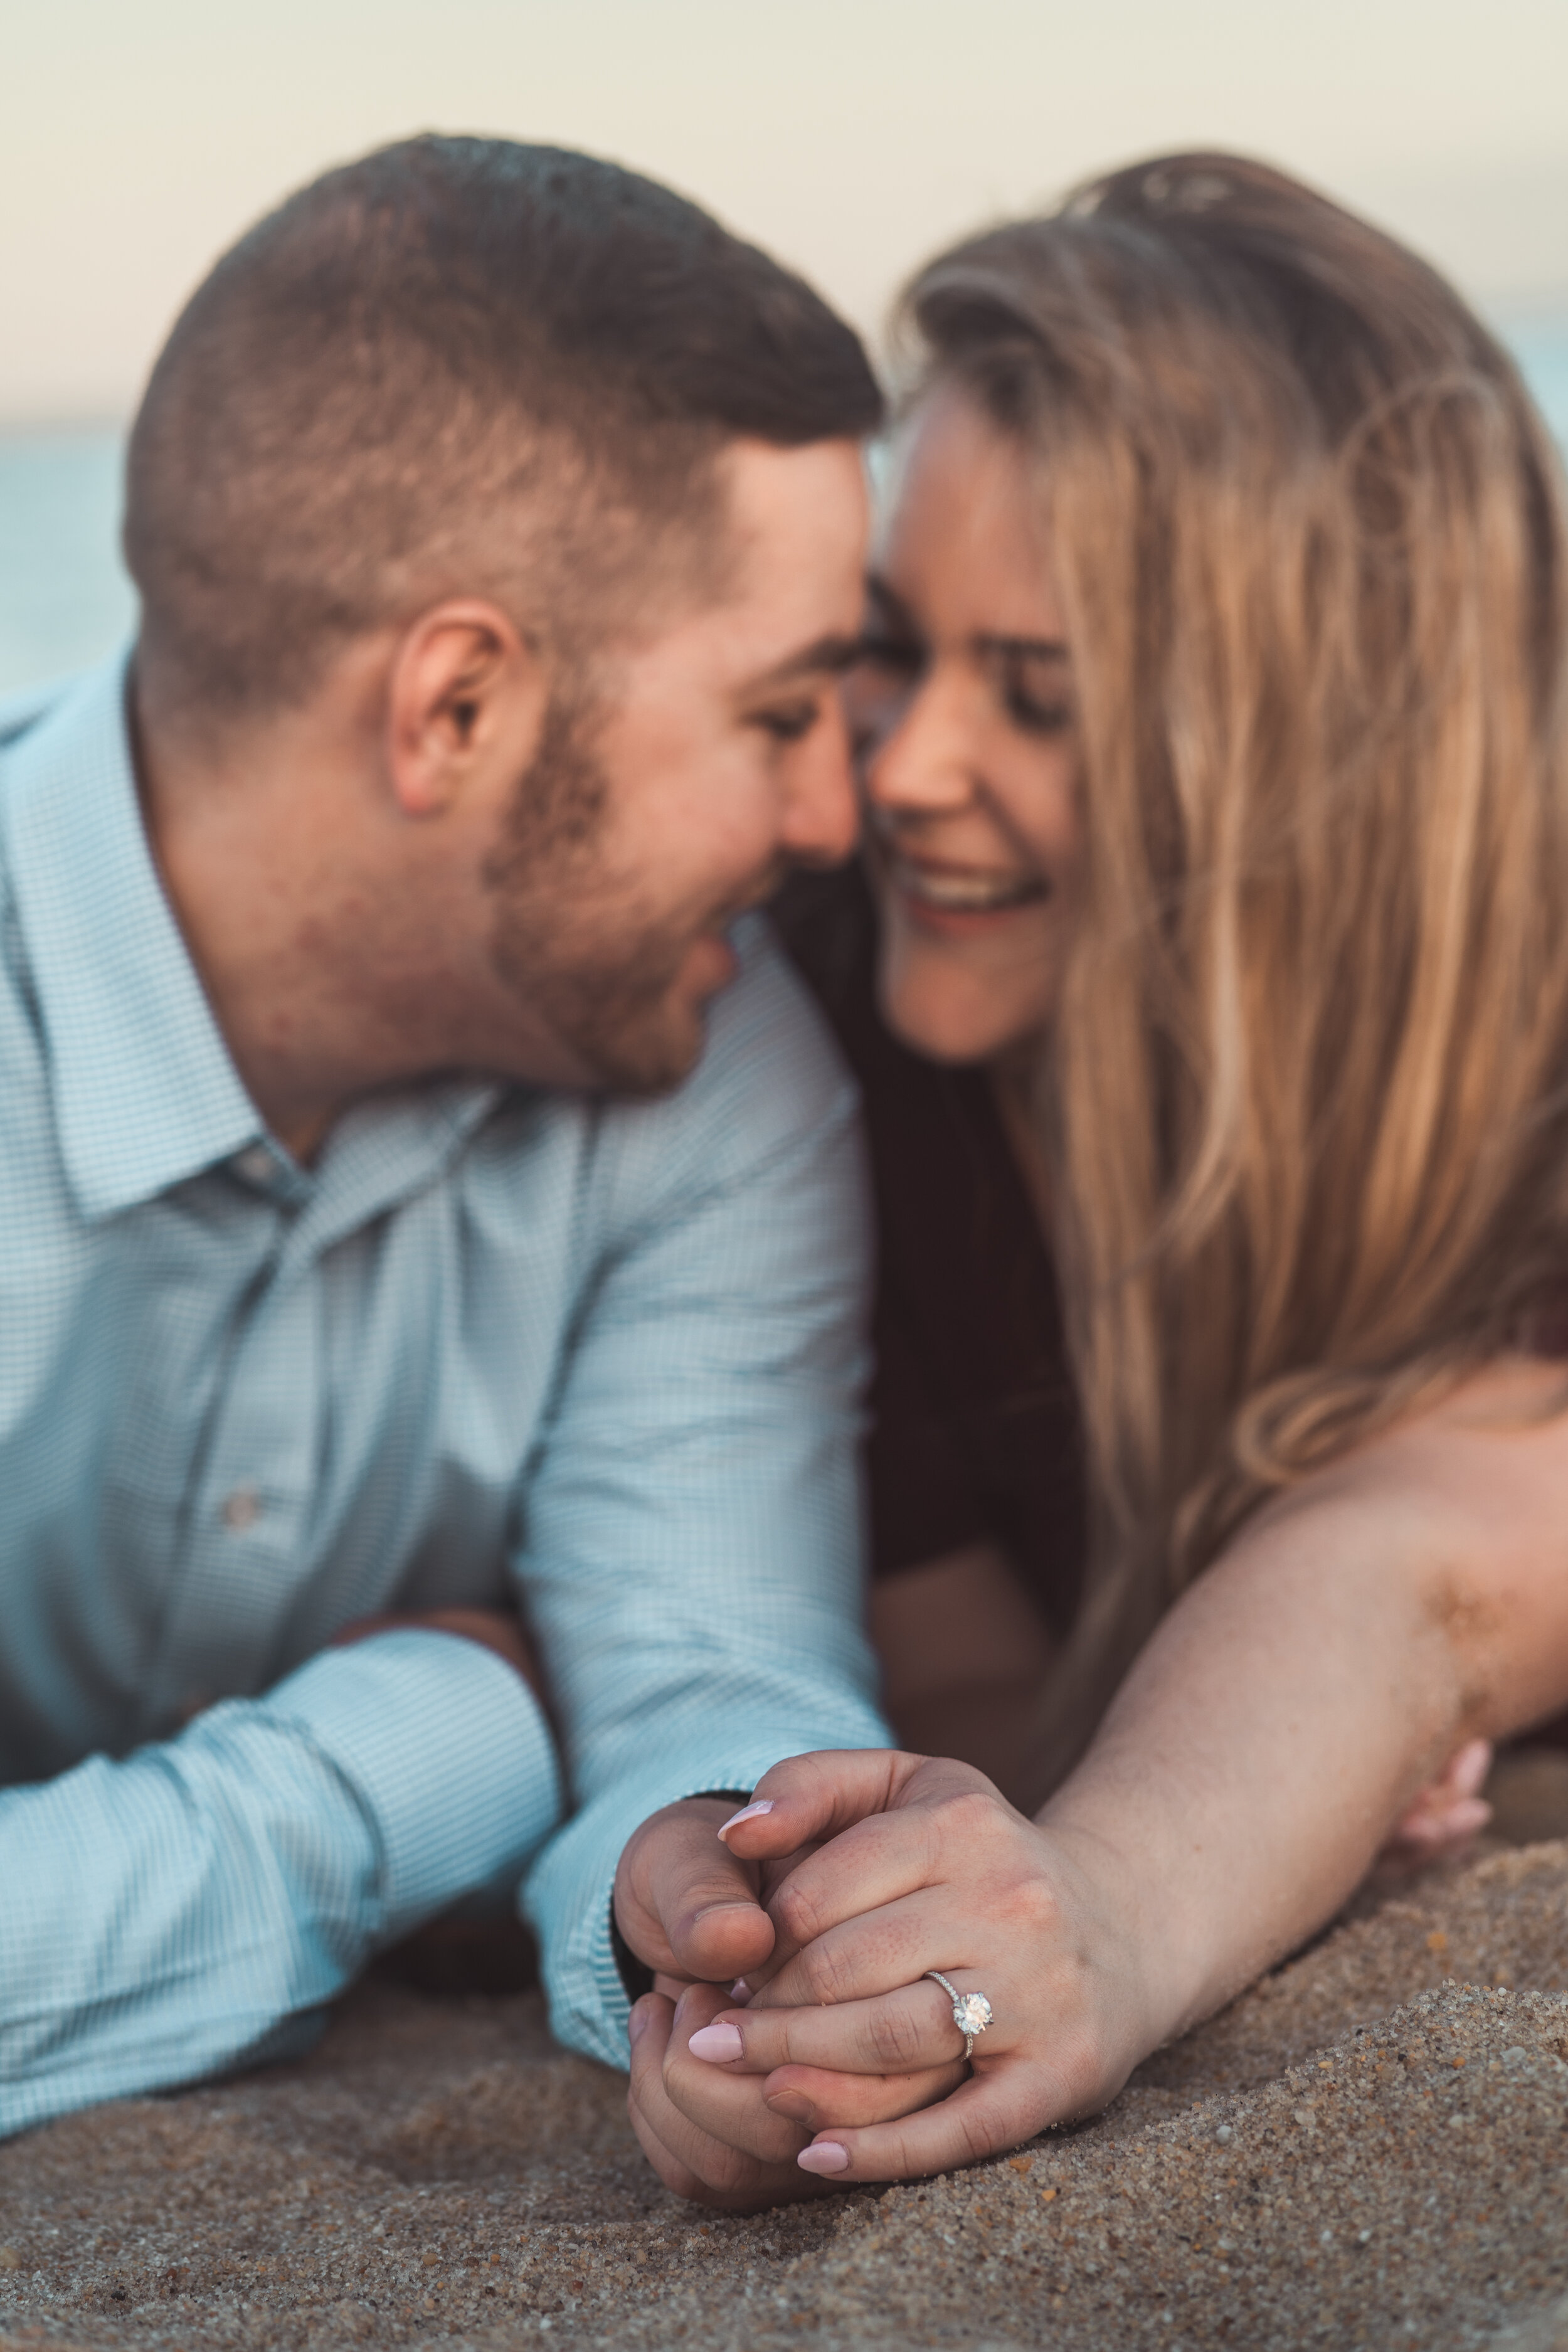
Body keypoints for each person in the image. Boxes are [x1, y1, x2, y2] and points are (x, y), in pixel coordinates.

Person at [620, 152, 1568, 2203]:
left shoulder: (1528, 1073)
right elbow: (964, 1685)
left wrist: (1139, 1887)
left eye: (1037, 697)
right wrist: (832, 1957)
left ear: (1320, 749)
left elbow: (1429, 1565)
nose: (898, 769)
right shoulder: (832, 1026)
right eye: (891, 649)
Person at [0, 134, 898, 2136]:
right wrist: (427, 1754)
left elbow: (708, 1671)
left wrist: (711, 1908)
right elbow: (499, 1731)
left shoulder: (709, 1054)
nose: (835, 818)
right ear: (455, 708)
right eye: (777, 715)